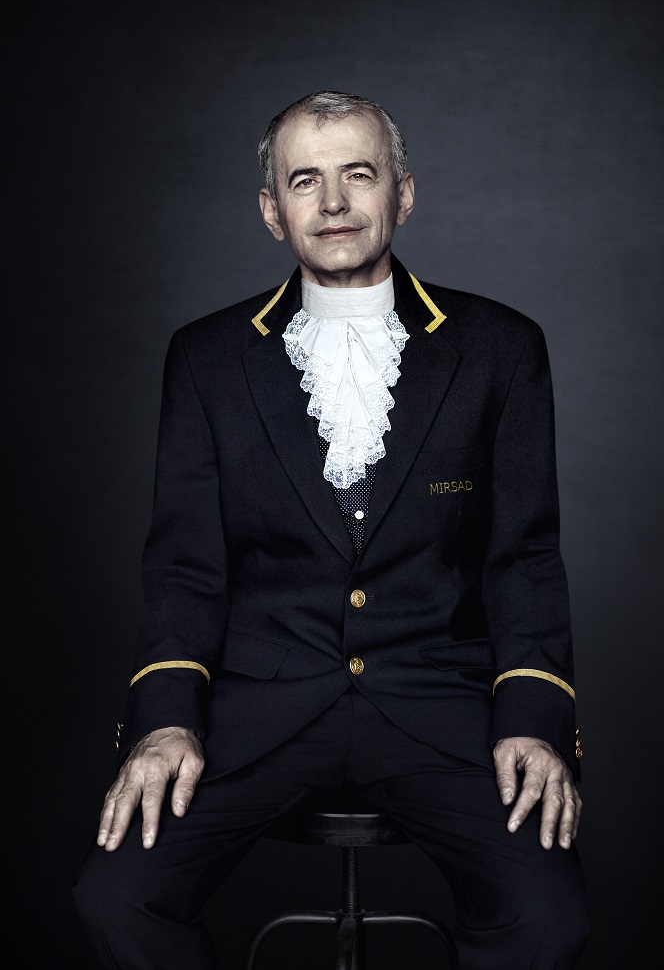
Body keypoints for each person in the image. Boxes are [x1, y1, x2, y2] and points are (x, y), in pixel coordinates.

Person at [73, 90, 589, 968]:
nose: (335, 201)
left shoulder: (502, 347)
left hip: (440, 704)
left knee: (547, 916)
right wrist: (165, 720)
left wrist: (534, 717)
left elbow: (524, 557)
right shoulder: (204, 357)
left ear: (404, 191)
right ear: (274, 211)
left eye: (359, 173)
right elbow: (185, 569)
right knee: (118, 899)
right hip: (257, 707)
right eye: (305, 181)